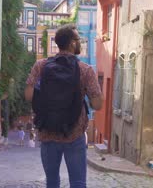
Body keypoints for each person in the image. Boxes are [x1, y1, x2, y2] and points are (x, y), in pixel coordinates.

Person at [25, 24, 103, 188]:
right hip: (74, 133)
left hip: (48, 132)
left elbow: (28, 95)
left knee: (52, 182)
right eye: (78, 40)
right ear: (72, 43)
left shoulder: (41, 66)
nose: (80, 43)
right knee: (78, 183)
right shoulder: (85, 70)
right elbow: (97, 104)